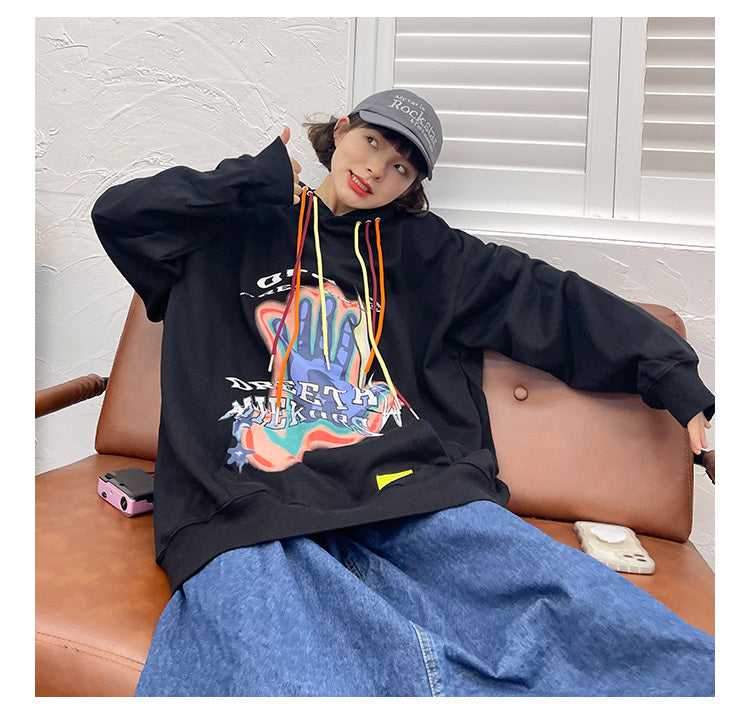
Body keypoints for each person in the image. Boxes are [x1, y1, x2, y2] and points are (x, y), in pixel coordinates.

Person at [91, 88, 715, 697]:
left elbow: (548, 297)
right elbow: (118, 216)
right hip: (244, 501)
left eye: (400, 168)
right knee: (283, 670)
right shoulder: (228, 227)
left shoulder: (428, 253)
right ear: (340, 130)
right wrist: (251, 178)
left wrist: (669, 372)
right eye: (371, 143)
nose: (376, 170)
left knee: (590, 617)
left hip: (406, 493)